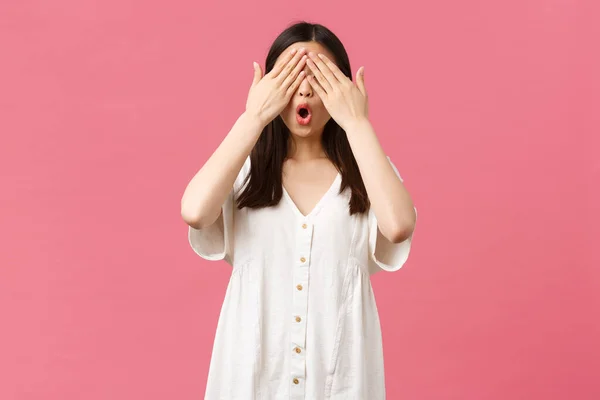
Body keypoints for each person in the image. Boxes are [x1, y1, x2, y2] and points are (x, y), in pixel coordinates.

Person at [181, 21, 417, 400]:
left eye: (319, 77)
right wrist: (253, 117)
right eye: (291, 75)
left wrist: (357, 123)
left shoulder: (367, 175)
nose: (304, 88)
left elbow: (399, 225)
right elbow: (194, 211)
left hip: (341, 383)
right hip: (250, 384)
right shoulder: (243, 172)